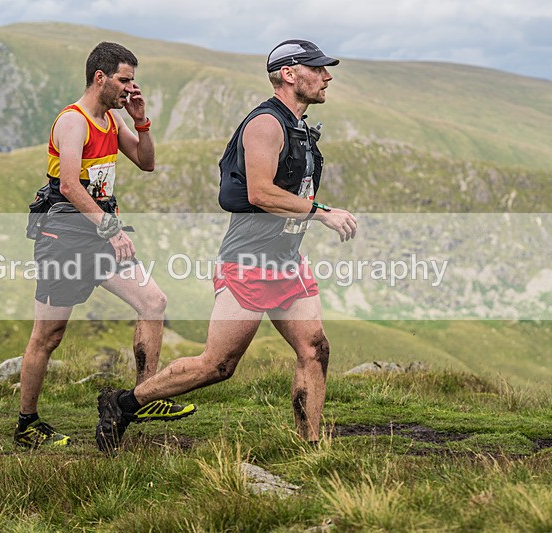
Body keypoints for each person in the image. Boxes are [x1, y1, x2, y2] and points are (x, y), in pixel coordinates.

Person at [95, 39, 358, 454]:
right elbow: (259, 193)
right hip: (248, 262)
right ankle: (124, 403)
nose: (327, 76)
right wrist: (321, 211)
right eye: (318, 69)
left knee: (315, 348)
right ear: (289, 74)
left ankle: (311, 448)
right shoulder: (265, 124)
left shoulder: (299, 127)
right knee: (217, 366)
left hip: (287, 260)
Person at [14, 42, 196, 448]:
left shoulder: (111, 121)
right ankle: (27, 424)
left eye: (132, 80)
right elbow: (68, 186)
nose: (130, 88)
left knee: (153, 301)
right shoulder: (73, 121)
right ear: (101, 78)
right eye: (124, 80)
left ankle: (145, 396)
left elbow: (146, 162)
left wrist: (142, 121)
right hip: (63, 236)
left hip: (98, 233)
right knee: (49, 334)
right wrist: (112, 228)